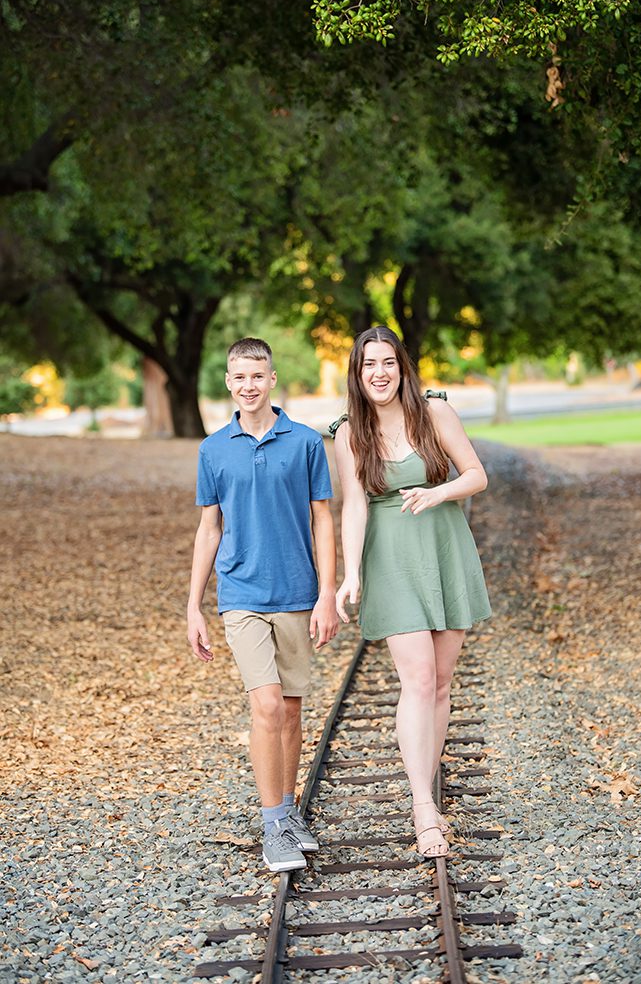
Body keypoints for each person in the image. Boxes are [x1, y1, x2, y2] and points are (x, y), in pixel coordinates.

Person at [331, 326, 491, 857]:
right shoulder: (350, 433)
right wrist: (350, 573)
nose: (378, 373)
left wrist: (437, 491)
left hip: (445, 547)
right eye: (367, 364)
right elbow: (352, 506)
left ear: (402, 368)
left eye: (388, 363)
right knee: (418, 678)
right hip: (392, 557)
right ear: (357, 373)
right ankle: (425, 807)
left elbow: (476, 476)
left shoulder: (435, 413)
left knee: (441, 682)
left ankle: (427, 778)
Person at [187, 337, 339, 872]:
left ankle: (290, 809)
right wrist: (193, 606)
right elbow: (210, 530)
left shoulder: (305, 443)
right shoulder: (213, 449)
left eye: (258, 376)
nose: (248, 386)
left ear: (272, 379)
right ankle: (273, 821)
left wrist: (327, 592)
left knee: (292, 710)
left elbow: (323, 518)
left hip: (297, 592)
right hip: (241, 594)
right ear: (228, 383)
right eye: (239, 377)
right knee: (267, 705)